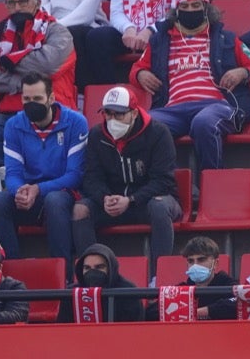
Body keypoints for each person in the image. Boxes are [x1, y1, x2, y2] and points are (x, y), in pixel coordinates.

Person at [135, 0, 250, 171]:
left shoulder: (226, 38)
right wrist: (140, 74)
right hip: (173, 109)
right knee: (142, 125)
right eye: (184, 6)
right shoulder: (160, 41)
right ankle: (167, 185)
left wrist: (243, 73)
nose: (190, 10)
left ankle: (212, 182)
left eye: (196, 6)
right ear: (176, 10)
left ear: (206, 8)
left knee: (203, 122)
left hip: (216, 106)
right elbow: (137, 68)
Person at [0, 0, 76, 165]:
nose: (17, 7)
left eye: (23, 2)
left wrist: (6, 63)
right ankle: (25, 172)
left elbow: (46, 65)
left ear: (37, 3)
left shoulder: (58, 32)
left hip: (49, 109)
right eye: (12, 3)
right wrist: (20, 84)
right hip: (8, 113)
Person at [75, 85, 183, 266]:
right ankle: (89, 272)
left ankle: (159, 275)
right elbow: (91, 177)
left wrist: (131, 199)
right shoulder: (96, 135)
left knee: (159, 207)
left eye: (119, 114)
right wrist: (104, 198)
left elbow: (163, 180)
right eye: (108, 114)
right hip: (112, 202)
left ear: (133, 113)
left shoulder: (158, 133)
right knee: (80, 210)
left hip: (148, 201)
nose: (112, 119)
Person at [0, 72, 89, 260]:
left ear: (51, 98)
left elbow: (75, 175)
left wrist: (38, 189)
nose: (31, 103)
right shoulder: (13, 125)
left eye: (38, 98)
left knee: (55, 201)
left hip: (64, 192)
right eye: (27, 98)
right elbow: (13, 172)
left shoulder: (75, 122)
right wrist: (20, 191)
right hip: (30, 194)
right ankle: (10, 270)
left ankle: (62, 272)